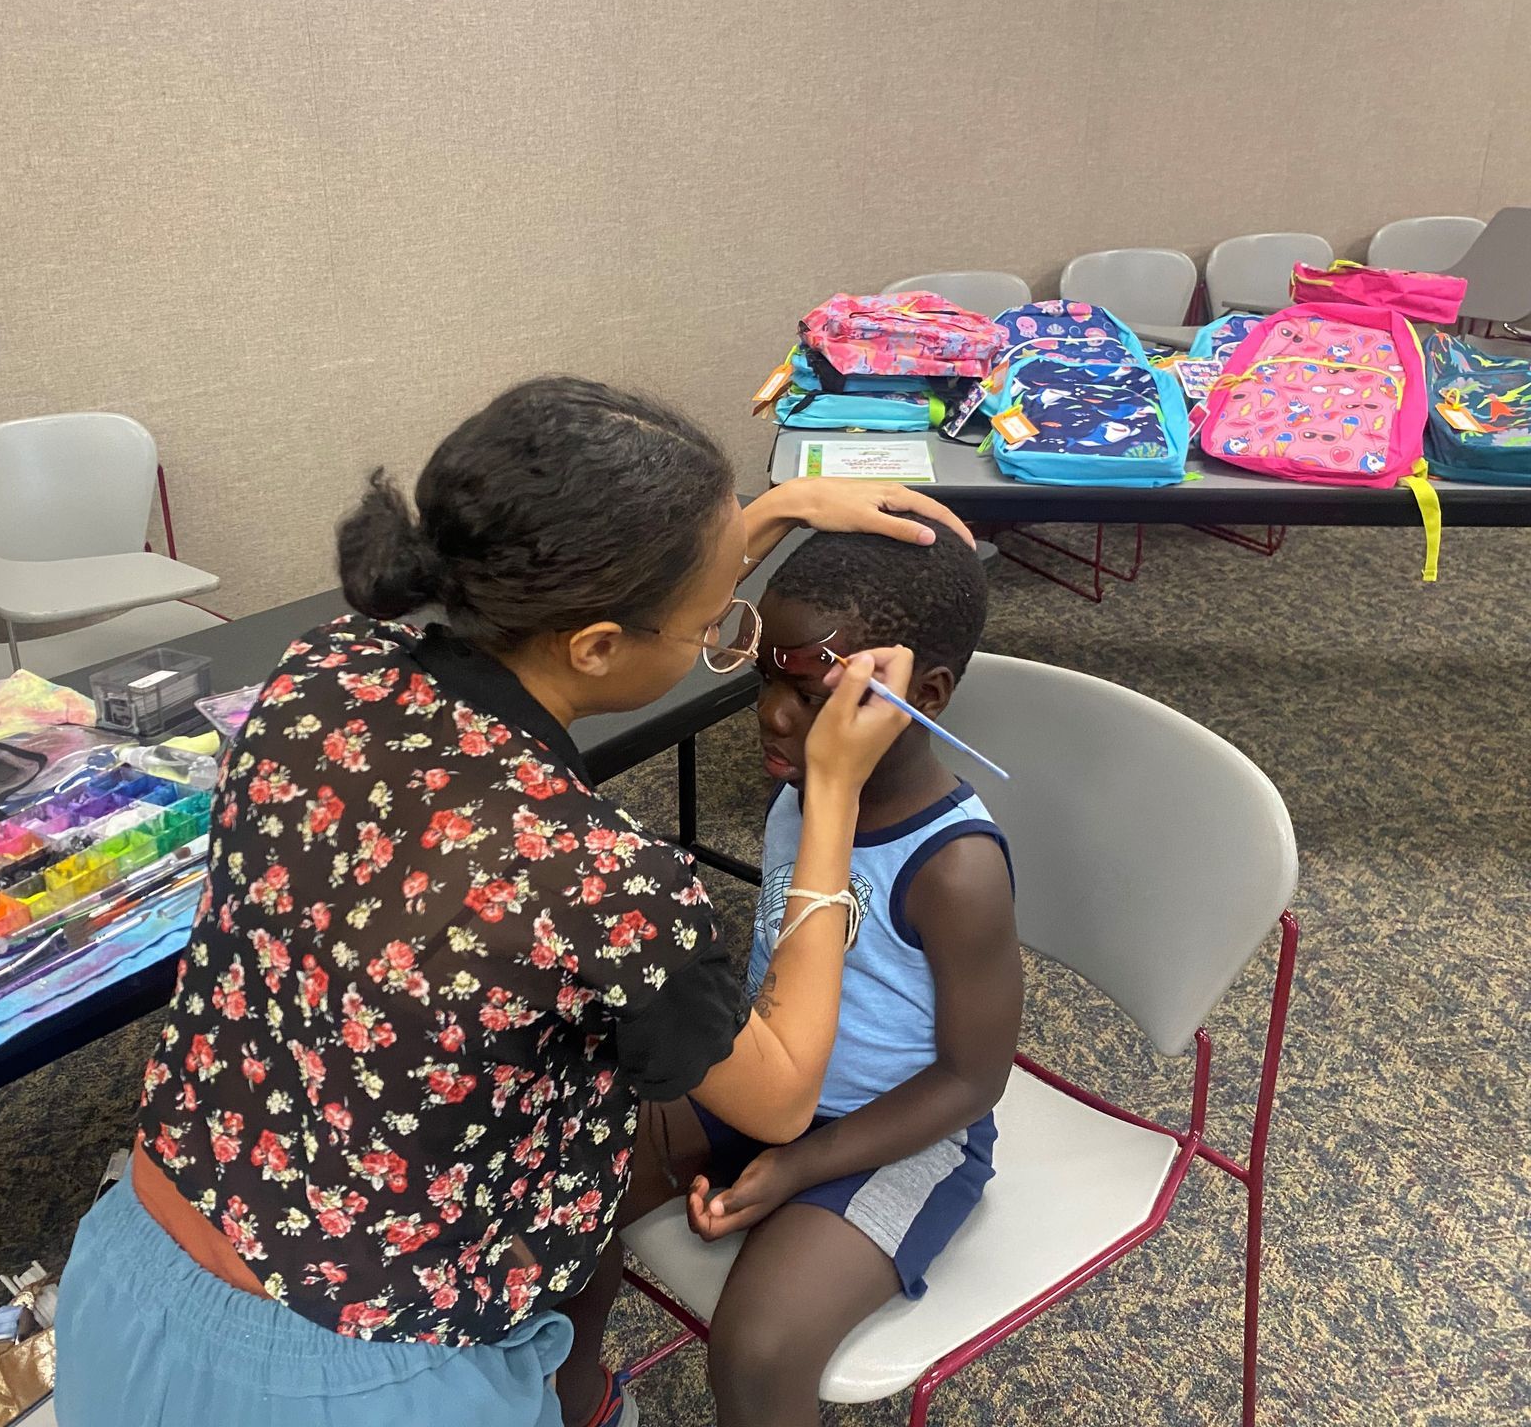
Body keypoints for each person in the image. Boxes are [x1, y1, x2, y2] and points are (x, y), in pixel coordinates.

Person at [52, 377, 973, 1427]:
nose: (728, 637)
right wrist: (834, 797)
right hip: (355, 1376)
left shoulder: (323, 669)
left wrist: (764, 518)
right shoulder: (605, 884)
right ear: (594, 645)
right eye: (714, 622)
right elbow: (780, 1100)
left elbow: (598, 631)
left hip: (140, 1255)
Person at [564, 527, 1023, 1427]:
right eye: (763, 680)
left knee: (760, 1350)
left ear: (921, 697)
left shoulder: (955, 868)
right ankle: (574, 1404)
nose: (772, 714)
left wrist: (798, 1162)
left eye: (810, 693)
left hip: (899, 1131)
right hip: (770, 1074)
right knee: (561, 1184)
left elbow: (974, 1078)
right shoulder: (799, 792)